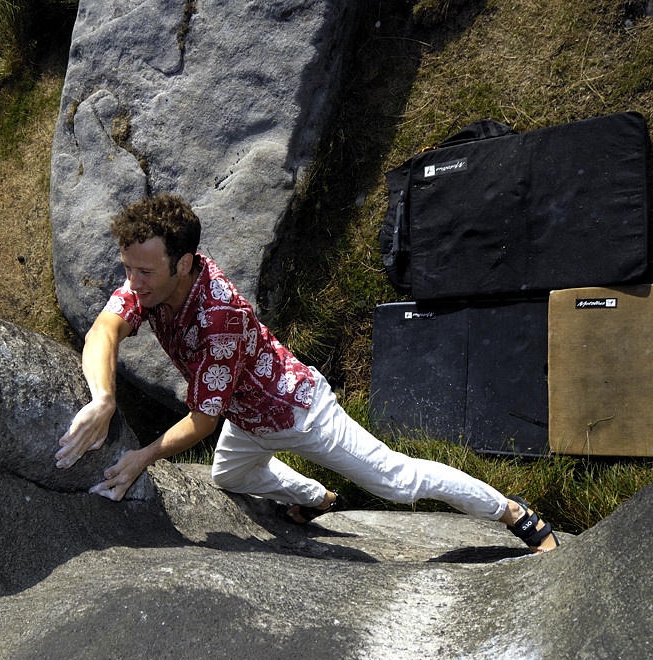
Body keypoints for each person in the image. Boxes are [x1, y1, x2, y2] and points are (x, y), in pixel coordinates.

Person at [55, 193, 559, 553]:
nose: (132, 282)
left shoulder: (219, 317)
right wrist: (104, 399)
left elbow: (203, 422)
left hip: (299, 412)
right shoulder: (152, 286)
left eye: (143, 271)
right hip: (246, 414)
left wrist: (144, 456)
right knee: (228, 475)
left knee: (396, 481)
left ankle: (510, 511)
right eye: (128, 269)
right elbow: (104, 329)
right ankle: (318, 498)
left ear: (183, 263)